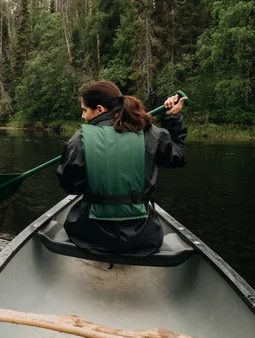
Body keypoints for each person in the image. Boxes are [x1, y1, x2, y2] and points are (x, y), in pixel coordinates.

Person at [56, 80, 187, 257]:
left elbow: (70, 187)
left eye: (84, 110)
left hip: (89, 237)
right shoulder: (151, 134)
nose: (82, 116)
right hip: (143, 238)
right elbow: (179, 157)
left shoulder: (80, 140)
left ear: (100, 109)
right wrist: (172, 118)